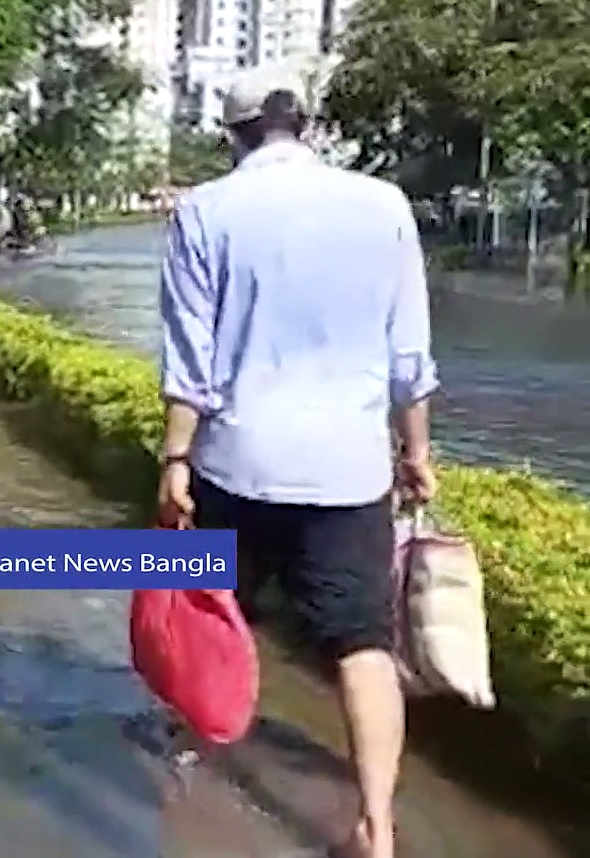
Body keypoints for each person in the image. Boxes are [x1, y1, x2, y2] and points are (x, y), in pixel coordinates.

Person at [155, 73, 436, 858]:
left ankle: (190, 761)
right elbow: (409, 357)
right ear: (305, 127)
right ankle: (376, 827)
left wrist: (175, 457)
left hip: (236, 460)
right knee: (362, 643)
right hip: (349, 470)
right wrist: (416, 453)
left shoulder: (205, 211)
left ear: (233, 134)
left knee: (212, 611)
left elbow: (191, 362)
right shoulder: (384, 207)